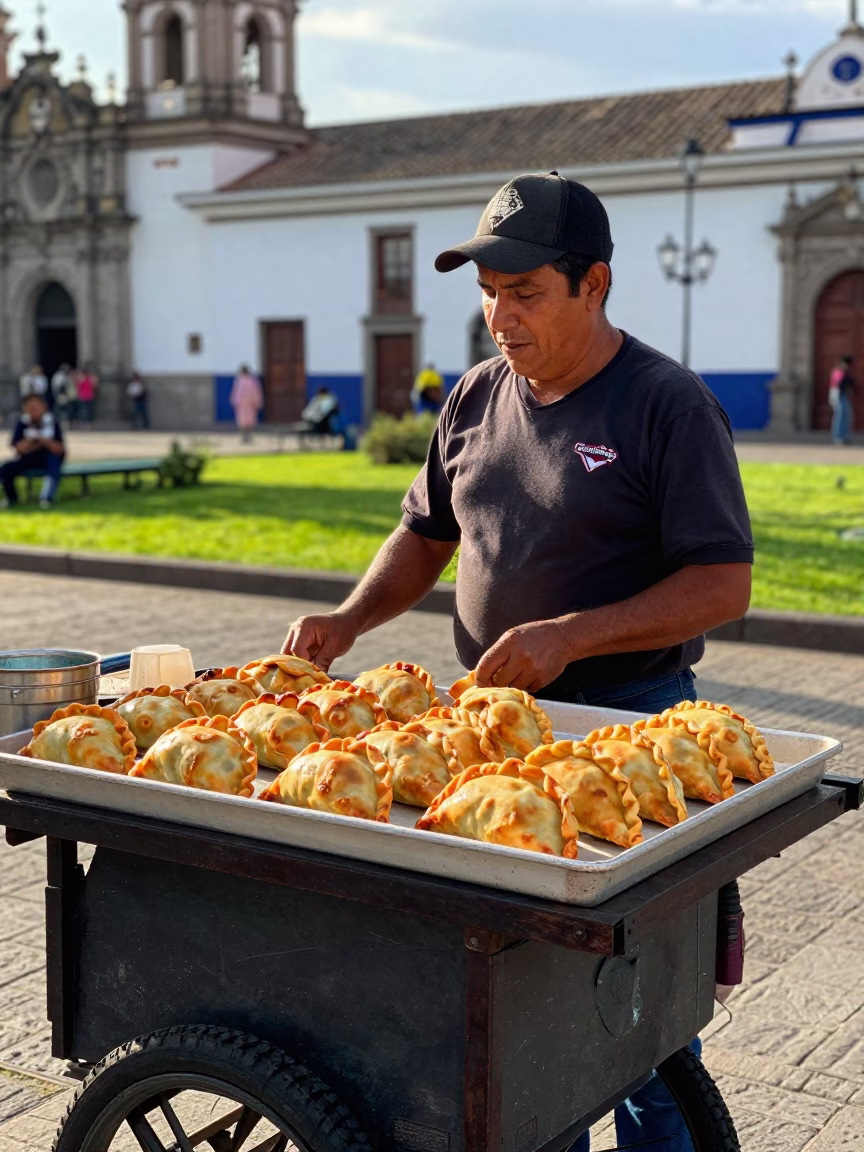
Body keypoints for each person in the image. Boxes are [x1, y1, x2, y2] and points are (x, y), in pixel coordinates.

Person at [282, 172, 754, 1150]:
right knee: (520, 1025)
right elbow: (425, 534)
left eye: (526, 292)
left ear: (596, 286)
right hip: (491, 758)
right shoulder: (472, 398)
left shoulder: (667, 405)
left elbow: (722, 585)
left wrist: (569, 636)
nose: (499, 316)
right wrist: (351, 619)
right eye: (488, 291)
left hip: (632, 745)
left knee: (637, 1036)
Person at [0, 393, 65, 509]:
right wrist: (29, 442)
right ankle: (12, 499)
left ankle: (47, 497)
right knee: (6, 469)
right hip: (29, 458)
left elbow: (60, 449)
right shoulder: (23, 423)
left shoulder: (51, 422)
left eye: (36, 406)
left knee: (53, 462)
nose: (33, 410)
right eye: (30, 407)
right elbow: (17, 449)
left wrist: (44, 441)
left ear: (44, 407)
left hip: (49, 458)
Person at [230, 364, 264, 442]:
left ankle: (246, 436)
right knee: (247, 420)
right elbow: (256, 393)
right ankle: (246, 436)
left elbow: (237, 393)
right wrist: (258, 402)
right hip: (246, 404)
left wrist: (235, 401)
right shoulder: (249, 381)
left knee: (245, 420)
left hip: (246, 404)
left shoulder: (243, 381)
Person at [828, 355, 855, 445]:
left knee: (845, 416)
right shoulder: (839, 371)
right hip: (838, 395)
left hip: (842, 395)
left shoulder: (843, 371)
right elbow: (838, 383)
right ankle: (838, 437)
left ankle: (843, 436)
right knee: (840, 416)